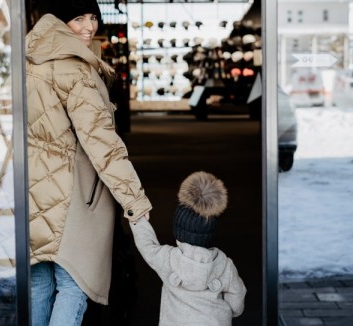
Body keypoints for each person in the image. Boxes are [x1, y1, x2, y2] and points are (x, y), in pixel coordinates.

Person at [25, 1, 152, 325]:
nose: (89, 26)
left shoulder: (28, 57)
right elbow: (102, 142)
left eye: (93, 17)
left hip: (31, 190)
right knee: (74, 286)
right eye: (78, 18)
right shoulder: (75, 66)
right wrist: (134, 201)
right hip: (71, 196)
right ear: (56, 19)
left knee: (39, 283)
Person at [130, 171, 246, 326]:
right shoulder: (225, 265)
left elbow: (147, 245)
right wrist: (228, 312)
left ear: (178, 234)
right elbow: (237, 297)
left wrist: (136, 214)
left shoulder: (168, 258)